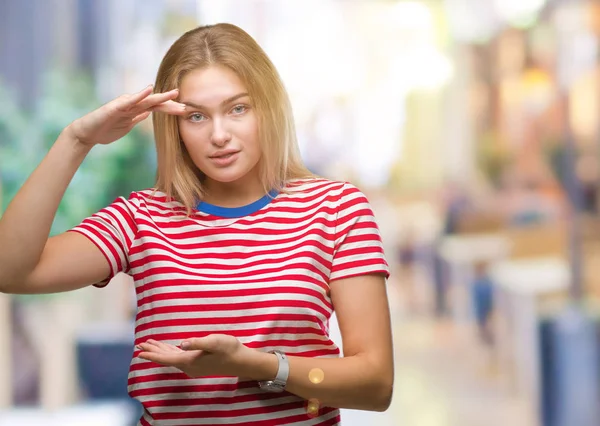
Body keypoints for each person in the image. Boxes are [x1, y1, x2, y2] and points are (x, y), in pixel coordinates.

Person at [0, 23, 393, 425]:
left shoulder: (336, 209)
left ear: (268, 107)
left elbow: (376, 385)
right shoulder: (140, 218)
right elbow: (11, 271)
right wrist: (76, 141)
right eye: (196, 116)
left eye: (238, 108)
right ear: (175, 127)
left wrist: (259, 365)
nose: (219, 135)